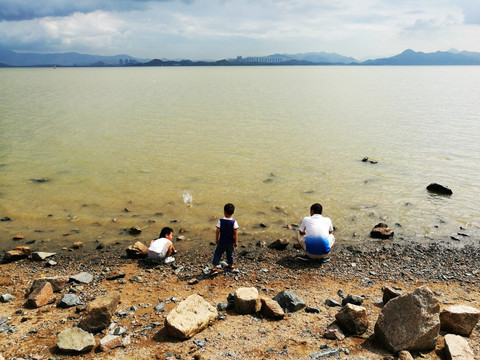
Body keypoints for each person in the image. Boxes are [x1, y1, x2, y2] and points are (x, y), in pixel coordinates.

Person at [211, 203, 239, 275]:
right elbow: (235, 233)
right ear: (233, 212)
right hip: (230, 242)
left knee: (217, 254)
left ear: (224, 211)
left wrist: (216, 239)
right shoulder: (234, 222)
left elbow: (217, 231)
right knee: (230, 254)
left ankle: (214, 269)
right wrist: (236, 242)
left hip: (222, 241)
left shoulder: (220, 221)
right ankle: (231, 266)